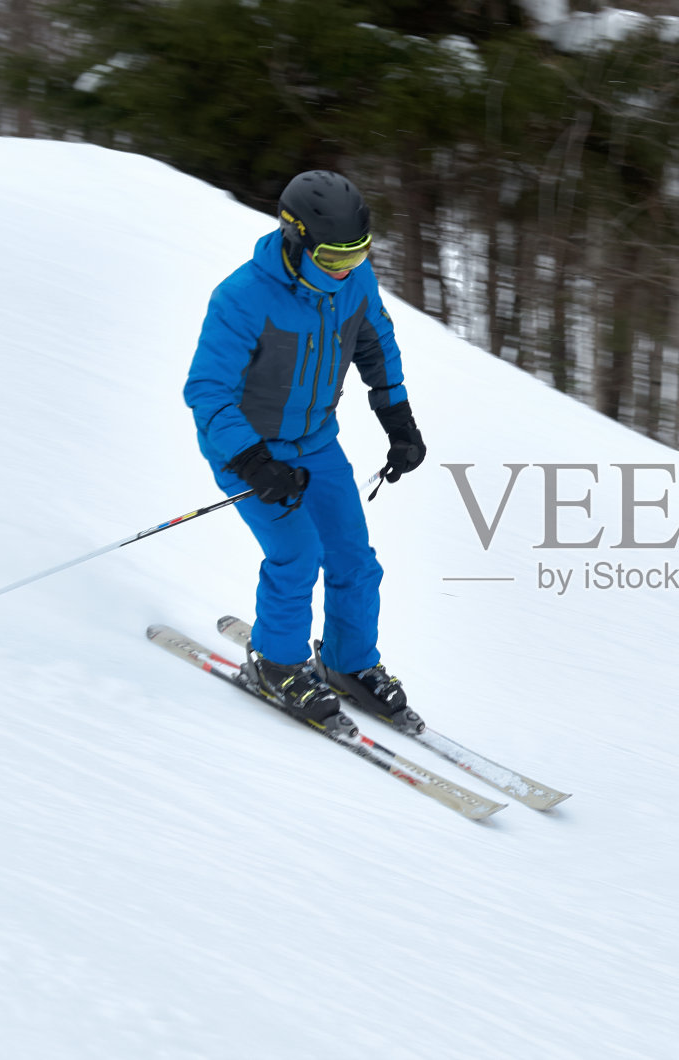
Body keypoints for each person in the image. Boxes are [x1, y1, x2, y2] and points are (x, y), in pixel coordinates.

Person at [184, 170, 426, 735]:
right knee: (298, 554)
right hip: (247, 447)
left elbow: (376, 346)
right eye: (333, 257)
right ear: (295, 242)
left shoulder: (354, 282)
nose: (345, 270)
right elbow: (207, 391)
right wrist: (252, 462)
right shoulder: (242, 298)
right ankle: (278, 664)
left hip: (316, 441)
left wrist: (399, 421)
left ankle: (347, 662)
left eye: (358, 254)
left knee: (353, 559)